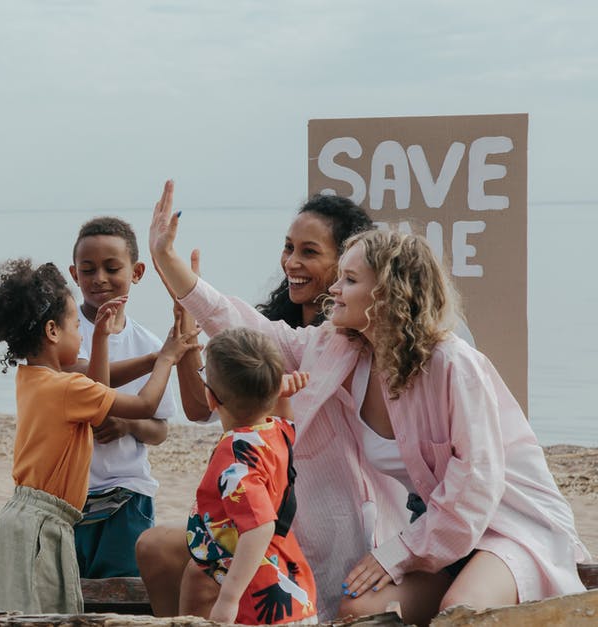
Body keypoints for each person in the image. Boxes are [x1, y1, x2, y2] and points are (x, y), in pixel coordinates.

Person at [149, 180, 590, 625]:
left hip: (505, 525)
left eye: (350, 279)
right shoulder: (339, 348)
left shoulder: (453, 364)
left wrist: (395, 555)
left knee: (461, 614)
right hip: (430, 529)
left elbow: (476, 484)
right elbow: (251, 330)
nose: (334, 290)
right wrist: (169, 262)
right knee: (357, 612)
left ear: (387, 293)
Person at [137, 193, 373, 615]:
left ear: (348, 265)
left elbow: (227, 318)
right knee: (156, 548)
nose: (292, 262)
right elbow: (202, 406)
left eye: (309, 252)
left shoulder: (345, 341)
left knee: (200, 576)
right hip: (252, 518)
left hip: (311, 537)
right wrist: (187, 321)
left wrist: (175, 272)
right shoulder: (277, 331)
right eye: (288, 248)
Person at [0, 259, 195, 614]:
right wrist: (166, 362)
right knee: (51, 616)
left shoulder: (32, 379)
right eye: (77, 325)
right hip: (46, 524)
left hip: (17, 518)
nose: (82, 335)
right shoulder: (67, 388)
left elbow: (96, 387)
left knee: (19, 614)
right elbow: (144, 403)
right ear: (52, 331)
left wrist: (104, 337)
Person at [66, 217, 205, 579]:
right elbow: (75, 382)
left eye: (112, 268)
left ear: (137, 271)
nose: (99, 279)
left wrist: (126, 424)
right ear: (73, 273)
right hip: (67, 494)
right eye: (88, 269)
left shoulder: (146, 342)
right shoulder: (64, 334)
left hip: (127, 495)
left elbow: (160, 429)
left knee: (123, 592)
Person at [183, 328, 316, 625]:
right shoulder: (275, 431)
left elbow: (260, 526)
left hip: (258, 600)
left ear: (210, 398)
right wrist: (281, 396)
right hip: (292, 583)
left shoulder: (235, 459)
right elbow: (285, 418)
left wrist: (228, 599)